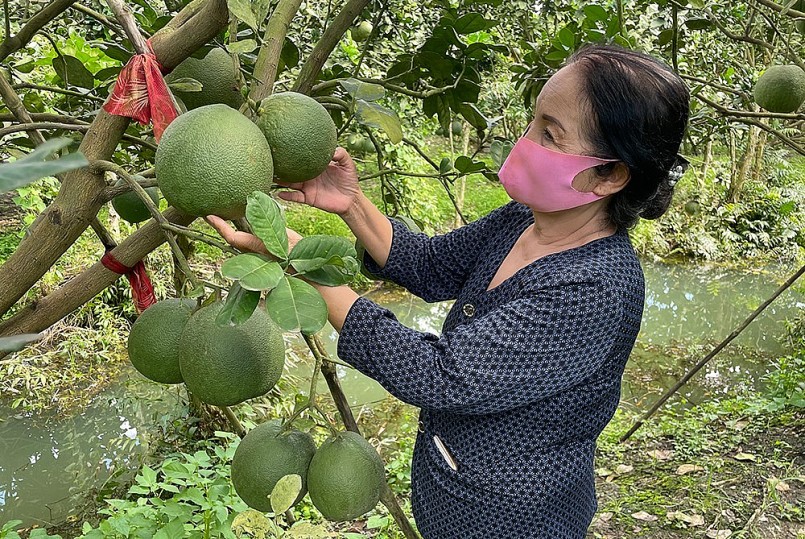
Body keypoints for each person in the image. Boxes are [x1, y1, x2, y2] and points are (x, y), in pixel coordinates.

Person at [208, 43, 690, 538]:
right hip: (450, 498)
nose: (525, 141)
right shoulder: (524, 220)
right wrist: (351, 203)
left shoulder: (595, 289)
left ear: (610, 174)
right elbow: (431, 265)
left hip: (513, 522)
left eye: (550, 134)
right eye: (532, 122)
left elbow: (440, 374)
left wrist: (302, 272)